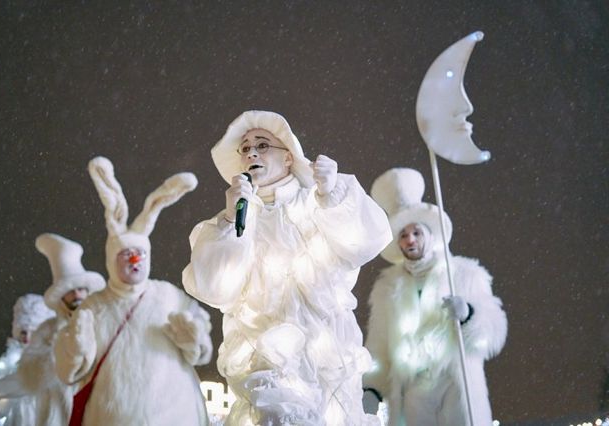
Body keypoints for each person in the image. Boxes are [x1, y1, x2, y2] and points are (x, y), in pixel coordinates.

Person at [182, 110, 392, 425]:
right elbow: (213, 288)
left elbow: (365, 241)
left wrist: (333, 194)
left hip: (326, 357)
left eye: (262, 145)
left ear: (289, 157)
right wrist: (229, 222)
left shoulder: (315, 204)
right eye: (245, 148)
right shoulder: (235, 220)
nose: (251, 153)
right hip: (263, 361)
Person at [54, 156, 211, 425]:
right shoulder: (94, 305)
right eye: (126, 254)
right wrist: (76, 348)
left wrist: (194, 339)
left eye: (140, 253)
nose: (134, 259)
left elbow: (201, 350)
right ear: (111, 260)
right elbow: (68, 372)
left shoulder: (169, 296)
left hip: (173, 416)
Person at [363, 167, 508, 426]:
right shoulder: (387, 289)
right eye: (403, 235)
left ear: (430, 235)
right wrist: (371, 389)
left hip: (455, 385)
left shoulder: (463, 274)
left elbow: (494, 332)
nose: (410, 240)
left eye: (416, 233)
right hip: (413, 394)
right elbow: (379, 348)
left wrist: (469, 315)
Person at [16, 233, 105, 426]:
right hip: (58, 417)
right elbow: (29, 375)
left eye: (81, 289)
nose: (77, 295)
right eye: (71, 291)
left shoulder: (103, 323)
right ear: (61, 296)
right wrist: (60, 358)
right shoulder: (47, 330)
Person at [0, 294, 55, 425]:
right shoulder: (9, 361)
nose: (27, 338)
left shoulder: (52, 363)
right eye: (23, 332)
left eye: (33, 332)